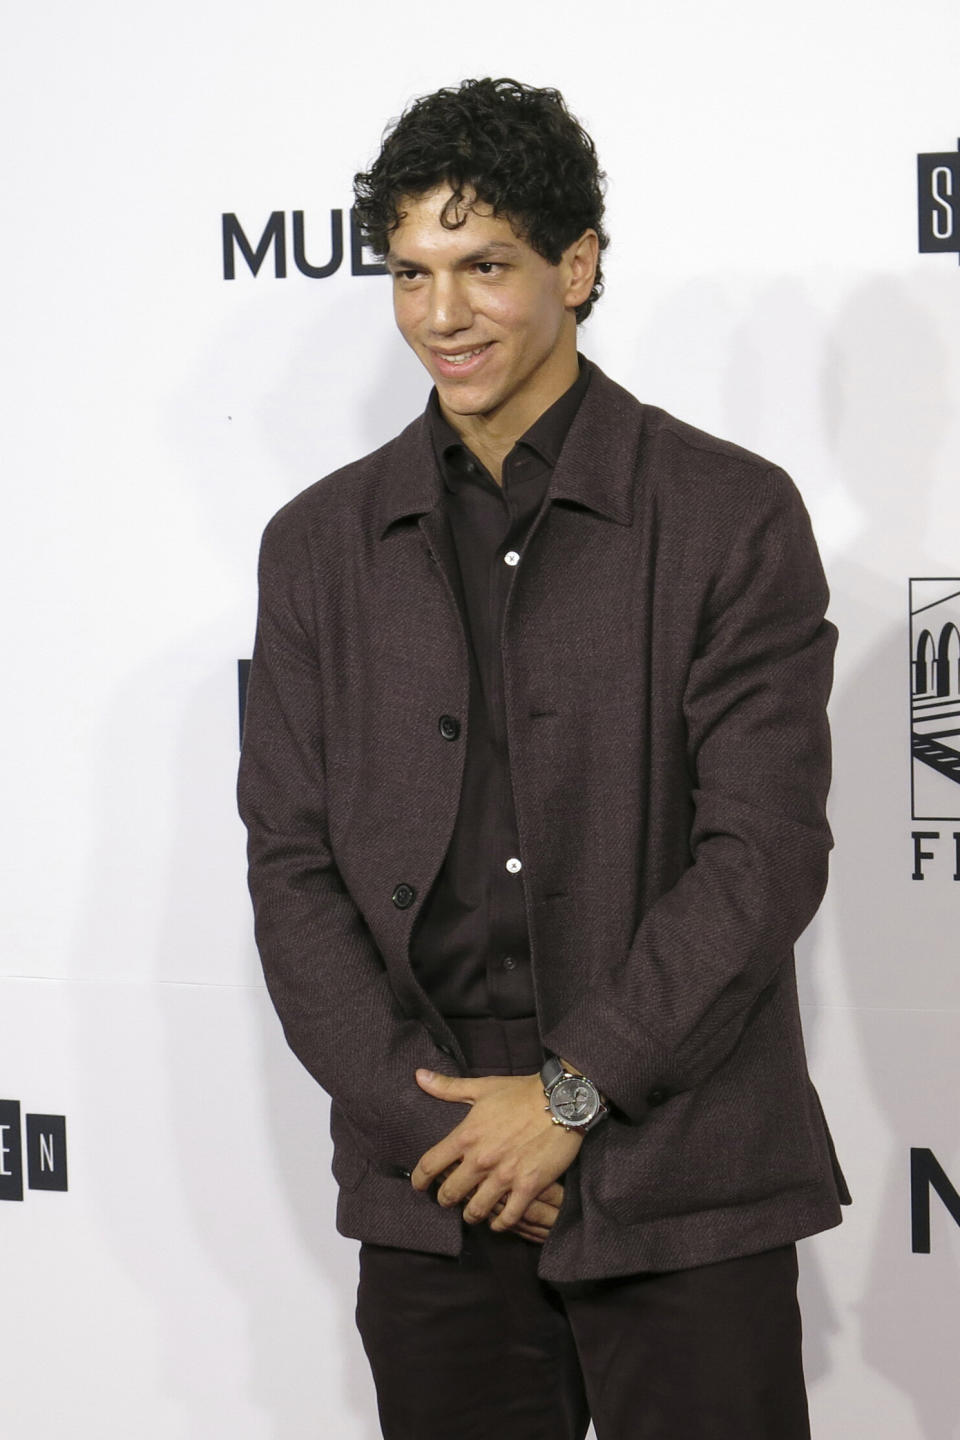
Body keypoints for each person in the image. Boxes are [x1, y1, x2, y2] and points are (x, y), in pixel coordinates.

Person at [237, 76, 849, 1440]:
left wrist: (570, 1095)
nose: (441, 315)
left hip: (681, 1161)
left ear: (577, 266)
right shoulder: (317, 548)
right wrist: (439, 1131)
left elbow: (762, 857)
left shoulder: (728, 515)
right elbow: (290, 871)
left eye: (485, 267)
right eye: (411, 272)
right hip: (436, 1178)